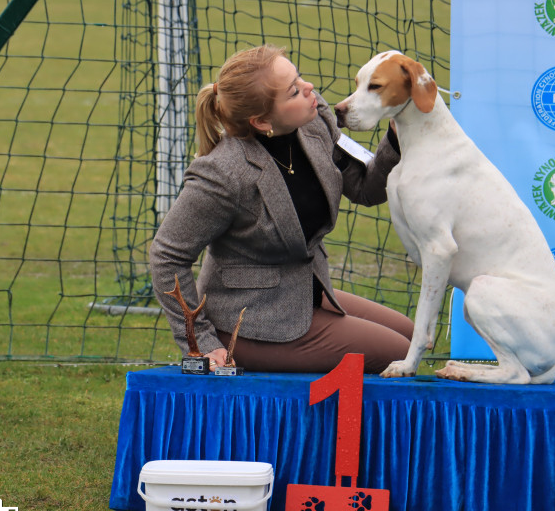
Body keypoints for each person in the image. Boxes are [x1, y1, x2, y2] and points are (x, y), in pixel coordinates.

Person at [149, 44, 413, 374]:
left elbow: (365, 189)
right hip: (249, 321)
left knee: (410, 334)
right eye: (293, 91)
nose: (309, 88)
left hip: (304, 289)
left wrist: (397, 134)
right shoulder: (222, 173)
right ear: (261, 121)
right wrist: (200, 340)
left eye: (299, 77)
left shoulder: (315, 122)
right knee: (400, 352)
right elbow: (166, 255)